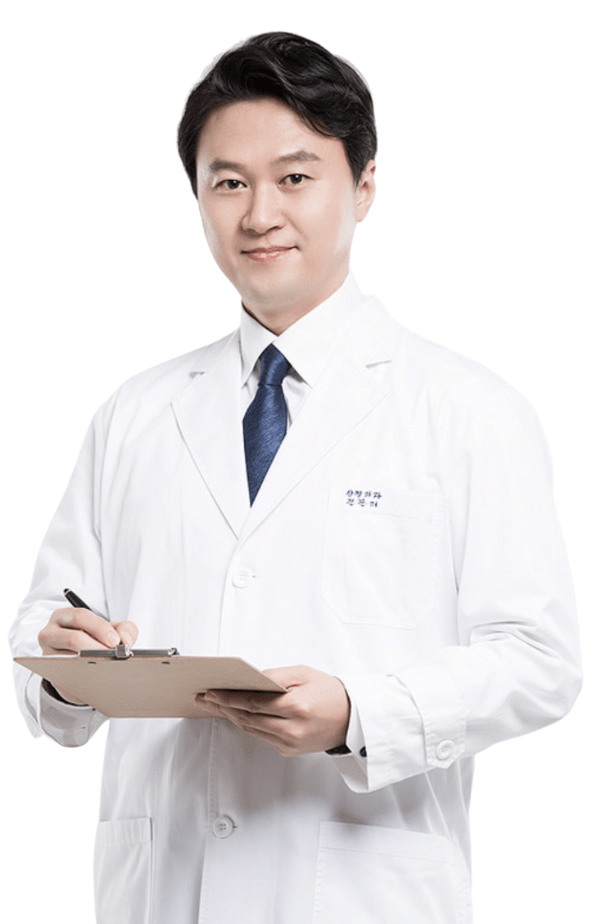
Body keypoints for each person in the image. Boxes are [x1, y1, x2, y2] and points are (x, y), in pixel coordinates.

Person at [10, 31, 581, 924]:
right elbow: (46, 625)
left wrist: (361, 714)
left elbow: (540, 660)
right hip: (164, 887)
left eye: (295, 177)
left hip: (360, 892)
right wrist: (62, 663)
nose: (259, 214)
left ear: (364, 186)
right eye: (228, 182)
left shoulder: (467, 411)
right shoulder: (135, 414)